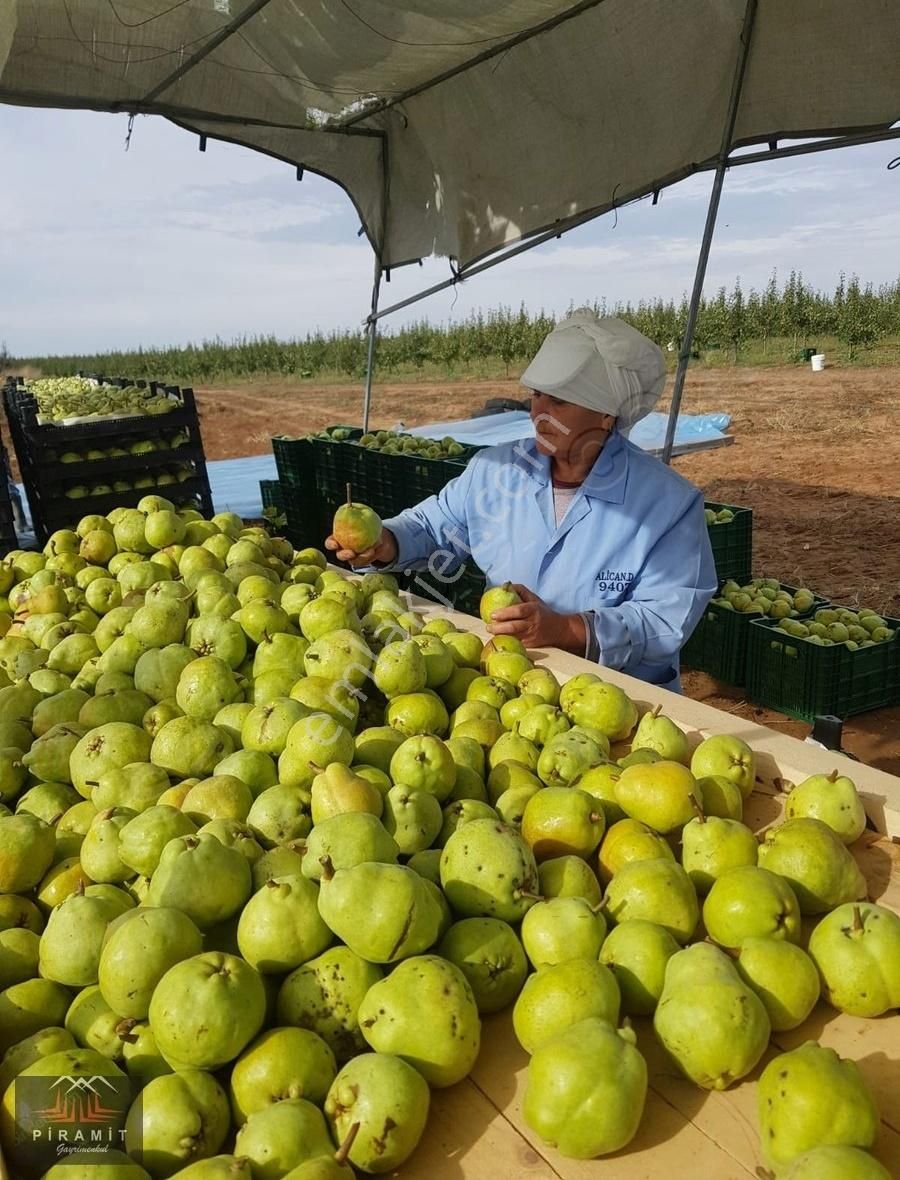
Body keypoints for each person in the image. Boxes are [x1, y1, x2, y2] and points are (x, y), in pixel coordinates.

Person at [327, 309, 716, 690]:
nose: (538, 413)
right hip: (506, 686)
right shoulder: (496, 471)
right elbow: (432, 527)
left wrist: (566, 629)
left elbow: (666, 618)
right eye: (535, 395)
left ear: (606, 415)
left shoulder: (669, 504)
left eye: (559, 401)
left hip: (618, 700)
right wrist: (384, 542)